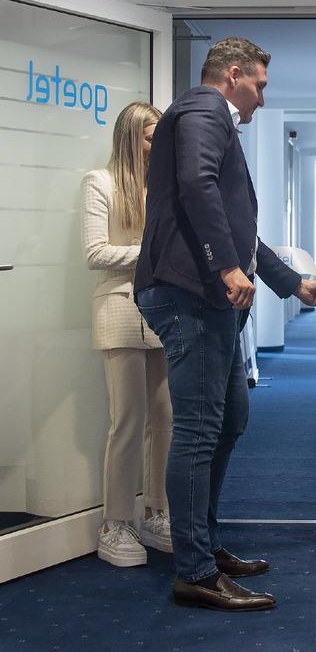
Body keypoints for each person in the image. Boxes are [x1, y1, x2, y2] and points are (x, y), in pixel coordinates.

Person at [134, 37, 316, 611]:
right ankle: (194, 571)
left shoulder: (211, 118)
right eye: (259, 86)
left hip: (205, 297)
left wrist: (291, 283)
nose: (262, 99)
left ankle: (202, 545)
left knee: (229, 419)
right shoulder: (203, 109)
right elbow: (197, 186)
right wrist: (224, 265)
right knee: (199, 430)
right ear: (234, 74)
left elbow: (241, 228)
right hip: (188, 293)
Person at [81, 101, 172, 567]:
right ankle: (115, 522)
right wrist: (150, 251)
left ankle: (156, 511)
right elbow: (95, 252)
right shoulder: (100, 182)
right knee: (129, 420)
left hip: (161, 309)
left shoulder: (163, 185)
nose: (159, 145)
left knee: (165, 417)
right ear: (131, 137)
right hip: (118, 308)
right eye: (152, 137)